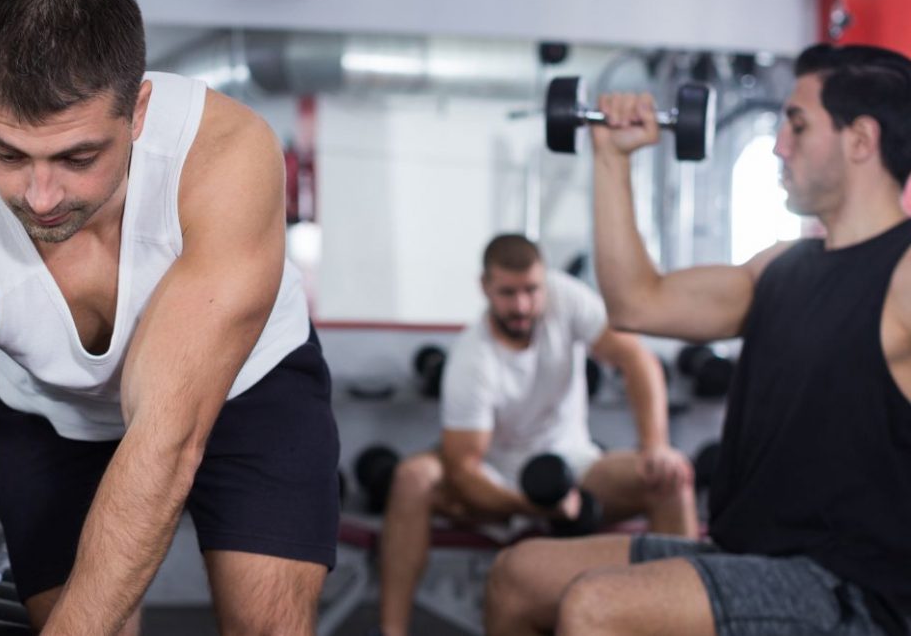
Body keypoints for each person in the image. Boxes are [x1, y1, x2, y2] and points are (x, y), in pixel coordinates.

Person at [0, 0, 339, 634]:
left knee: (266, 622)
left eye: (76, 158)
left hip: (249, 387)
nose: (39, 197)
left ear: (139, 112)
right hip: (51, 414)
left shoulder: (223, 160)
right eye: (6, 153)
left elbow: (167, 439)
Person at [484, 43, 911, 636]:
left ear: (861, 140)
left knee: (598, 606)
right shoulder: (782, 268)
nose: (778, 144)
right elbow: (637, 301)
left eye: (797, 123)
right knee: (518, 574)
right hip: (749, 556)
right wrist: (611, 157)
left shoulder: (904, 273)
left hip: (847, 590)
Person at [376, 233, 696, 636]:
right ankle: (391, 631)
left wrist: (655, 446)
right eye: (508, 293)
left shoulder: (567, 299)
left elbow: (636, 359)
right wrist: (534, 506)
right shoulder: (472, 359)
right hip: (494, 477)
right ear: (485, 288)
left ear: (545, 281)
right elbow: (462, 470)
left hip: (576, 464)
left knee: (669, 478)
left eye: (531, 290)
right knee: (412, 477)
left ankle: (687, 622)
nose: (523, 305)